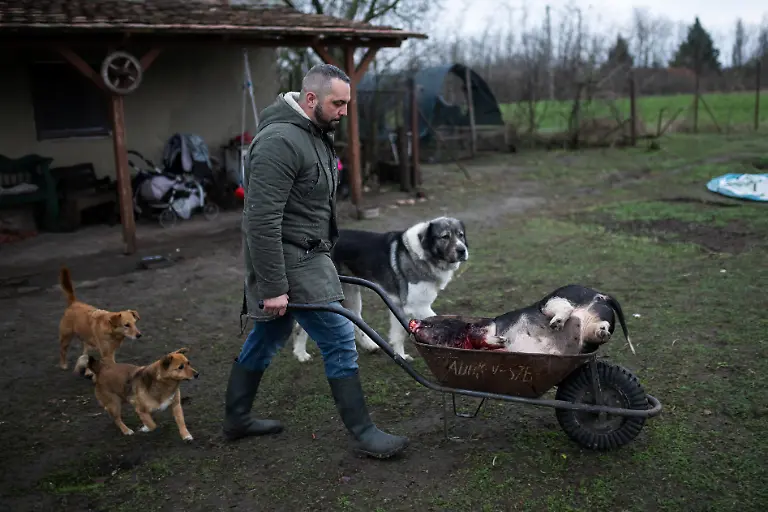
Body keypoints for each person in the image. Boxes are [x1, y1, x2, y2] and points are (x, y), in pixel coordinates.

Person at [222, 64, 409, 459]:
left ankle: (236, 418)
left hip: (311, 254)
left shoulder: (314, 133)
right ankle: (364, 432)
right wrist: (273, 287)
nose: (344, 111)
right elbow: (260, 221)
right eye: (337, 103)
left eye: (346, 103)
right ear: (310, 99)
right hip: (292, 260)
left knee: (269, 336)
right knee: (340, 338)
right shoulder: (279, 143)